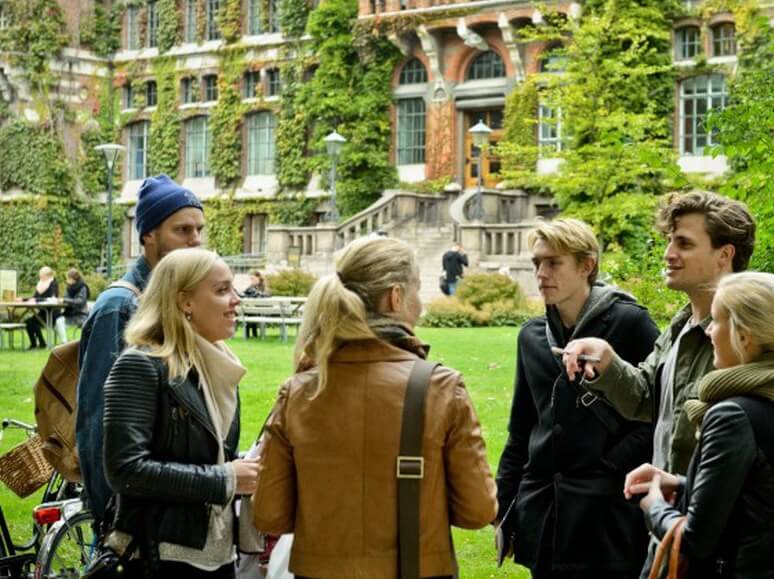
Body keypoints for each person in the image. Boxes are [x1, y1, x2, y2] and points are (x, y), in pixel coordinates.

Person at [253, 236, 497, 578]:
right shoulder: (439, 388)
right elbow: (477, 510)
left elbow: (269, 514)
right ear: (396, 297)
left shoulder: (299, 391)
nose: (420, 305)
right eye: (417, 291)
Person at [562, 190, 756, 574]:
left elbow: (754, 457)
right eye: (669, 240)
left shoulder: (744, 338)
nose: (669, 253)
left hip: (713, 547)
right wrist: (608, 361)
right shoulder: (682, 324)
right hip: (669, 530)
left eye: (684, 243)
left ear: (725, 254)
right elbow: (646, 398)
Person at [625, 272, 774, 577]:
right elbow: (761, 500)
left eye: (716, 321)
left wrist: (654, 505)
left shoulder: (731, 415)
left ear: (742, 337)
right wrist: (679, 484)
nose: (709, 332)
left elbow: (695, 541)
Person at [495, 218, 660, 579]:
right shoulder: (532, 337)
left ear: (587, 265)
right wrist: (504, 507)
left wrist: (607, 463)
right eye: (537, 263)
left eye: (553, 263)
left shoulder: (629, 323)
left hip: (607, 514)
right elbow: (522, 429)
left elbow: (659, 413)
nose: (541, 273)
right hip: (545, 513)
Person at [103, 248, 259, 578]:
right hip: (159, 556)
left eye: (233, 288)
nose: (236, 300)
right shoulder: (141, 365)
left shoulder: (217, 366)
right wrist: (225, 479)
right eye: (221, 290)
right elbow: (125, 470)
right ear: (185, 301)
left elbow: (206, 451)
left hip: (216, 554)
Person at [76, 174, 204, 524]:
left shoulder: (175, 301)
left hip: (165, 500)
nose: (196, 241)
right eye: (182, 230)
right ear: (148, 234)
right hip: (127, 510)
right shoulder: (119, 307)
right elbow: (97, 420)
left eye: (199, 230)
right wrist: (111, 515)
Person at [25, 266, 59, 349]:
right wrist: (23, 299)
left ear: (47, 275)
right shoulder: (40, 284)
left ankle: (42, 343)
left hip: (51, 313)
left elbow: (51, 298)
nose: (40, 277)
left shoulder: (53, 284)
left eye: (42, 275)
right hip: (42, 312)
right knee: (28, 322)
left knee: (33, 322)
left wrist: (36, 301)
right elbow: (35, 297)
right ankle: (35, 343)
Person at [54, 268, 89, 344]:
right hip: (70, 314)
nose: (67, 280)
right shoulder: (69, 287)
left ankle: (64, 343)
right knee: (57, 321)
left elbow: (80, 302)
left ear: (72, 278)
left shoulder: (83, 287)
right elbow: (66, 298)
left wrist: (64, 300)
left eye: (68, 278)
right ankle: (65, 342)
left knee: (59, 322)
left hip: (81, 315)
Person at [242, 270, 268, 339]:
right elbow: (244, 294)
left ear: (258, 278)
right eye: (251, 279)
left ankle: (251, 335)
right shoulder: (251, 287)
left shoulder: (262, 286)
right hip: (253, 309)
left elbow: (265, 295)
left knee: (250, 313)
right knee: (249, 312)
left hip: (262, 309)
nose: (252, 280)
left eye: (253, 279)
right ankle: (251, 335)